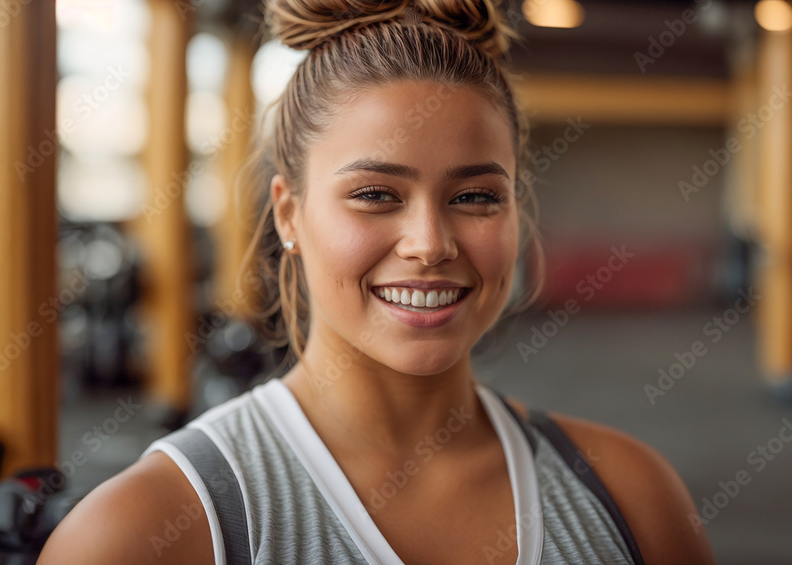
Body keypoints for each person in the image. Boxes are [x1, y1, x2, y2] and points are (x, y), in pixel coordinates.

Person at [38, 0, 716, 563]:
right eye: (375, 194)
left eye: (476, 197)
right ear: (289, 213)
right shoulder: (144, 532)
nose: (429, 243)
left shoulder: (632, 498)